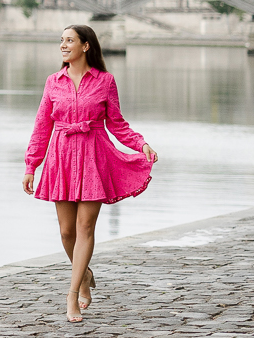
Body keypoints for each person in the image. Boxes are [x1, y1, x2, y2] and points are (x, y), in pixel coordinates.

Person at [21, 24, 158, 322]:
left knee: (85, 229)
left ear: (85, 46)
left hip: (94, 157)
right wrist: (32, 165)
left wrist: (141, 144)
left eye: (69, 40)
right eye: (61, 41)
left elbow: (118, 124)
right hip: (61, 156)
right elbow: (42, 126)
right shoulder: (53, 82)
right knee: (66, 231)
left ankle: (72, 296)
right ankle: (84, 275)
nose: (63, 45)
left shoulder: (105, 81)